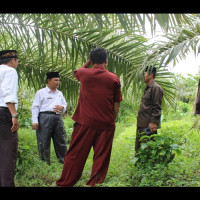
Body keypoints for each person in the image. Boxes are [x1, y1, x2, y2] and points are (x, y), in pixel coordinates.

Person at [56, 47, 122, 187]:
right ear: (106, 60)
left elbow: (78, 71)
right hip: (106, 125)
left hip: (84, 122)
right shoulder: (113, 78)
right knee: (101, 157)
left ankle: (65, 183)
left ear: (92, 60)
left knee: (75, 155)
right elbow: (116, 104)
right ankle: (94, 183)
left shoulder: (84, 73)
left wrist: (89, 62)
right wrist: (111, 120)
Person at [32, 72, 67, 164]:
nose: (57, 82)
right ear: (48, 81)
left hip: (57, 117)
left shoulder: (59, 93)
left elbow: (64, 104)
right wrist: (35, 121)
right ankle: (45, 161)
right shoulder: (41, 92)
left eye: (58, 80)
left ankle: (63, 160)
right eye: (55, 80)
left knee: (61, 139)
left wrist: (62, 107)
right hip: (45, 117)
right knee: (44, 140)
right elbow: (35, 107)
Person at [0, 50, 19, 187]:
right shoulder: (10, 71)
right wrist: (14, 115)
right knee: (7, 153)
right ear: (13, 60)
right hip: (3, 114)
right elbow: (8, 93)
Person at [135, 66, 163, 152]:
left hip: (148, 125)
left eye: (145, 74)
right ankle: (139, 165)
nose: (143, 76)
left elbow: (157, 107)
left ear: (151, 75)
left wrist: (153, 122)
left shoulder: (156, 88)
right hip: (142, 124)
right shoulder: (148, 88)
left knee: (147, 148)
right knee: (139, 147)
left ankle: (146, 165)